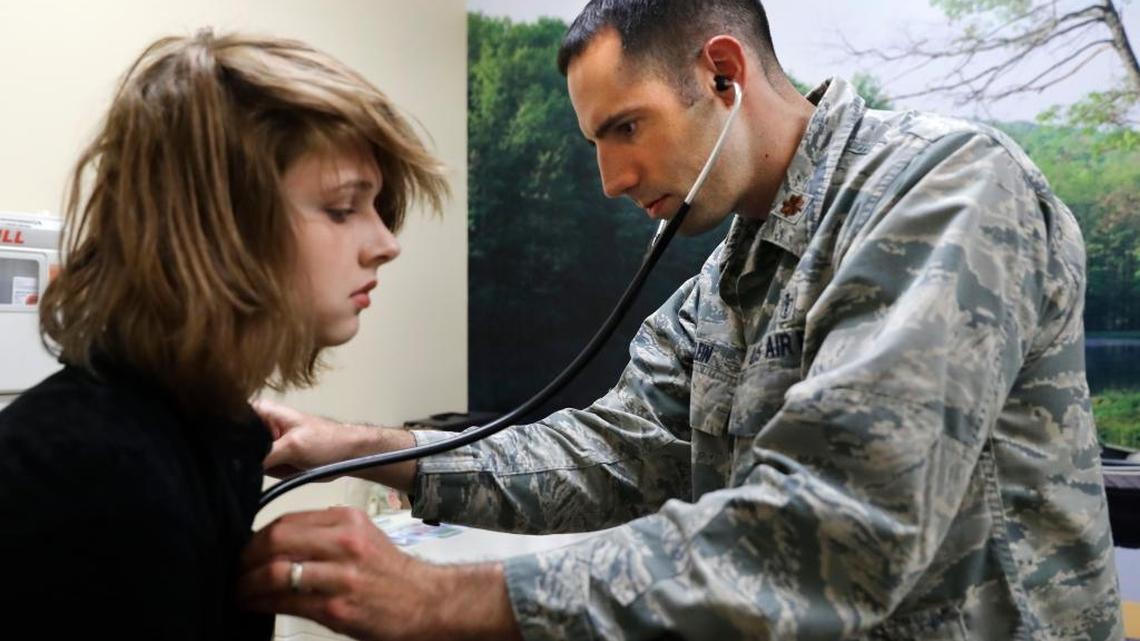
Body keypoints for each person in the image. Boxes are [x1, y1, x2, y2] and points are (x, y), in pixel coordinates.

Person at [238, 1, 1123, 639]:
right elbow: (605, 454)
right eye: (597, 142)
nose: (612, 179)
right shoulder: (727, 280)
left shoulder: (947, 189)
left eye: (627, 126)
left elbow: (834, 530)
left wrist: (444, 600)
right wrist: (352, 445)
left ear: (723, 74)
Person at [0, 30, 446, 639]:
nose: (385, 244)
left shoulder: (224, 430)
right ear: (219, 229)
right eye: (343, 209)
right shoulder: (74, 471)